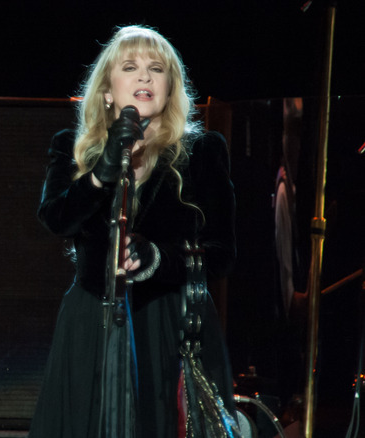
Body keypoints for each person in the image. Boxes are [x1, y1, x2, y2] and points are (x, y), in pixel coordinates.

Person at [29, 26, 239, 437]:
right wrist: (102, 172)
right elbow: (56, 219)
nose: (144, 77)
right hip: (91, 319)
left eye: (156, 69)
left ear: (170, 88)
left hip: (170, 325)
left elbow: (223, 253)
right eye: (130, 67)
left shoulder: (202, 151)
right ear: (108, 91)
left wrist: (155, 259)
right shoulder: (72, 146)